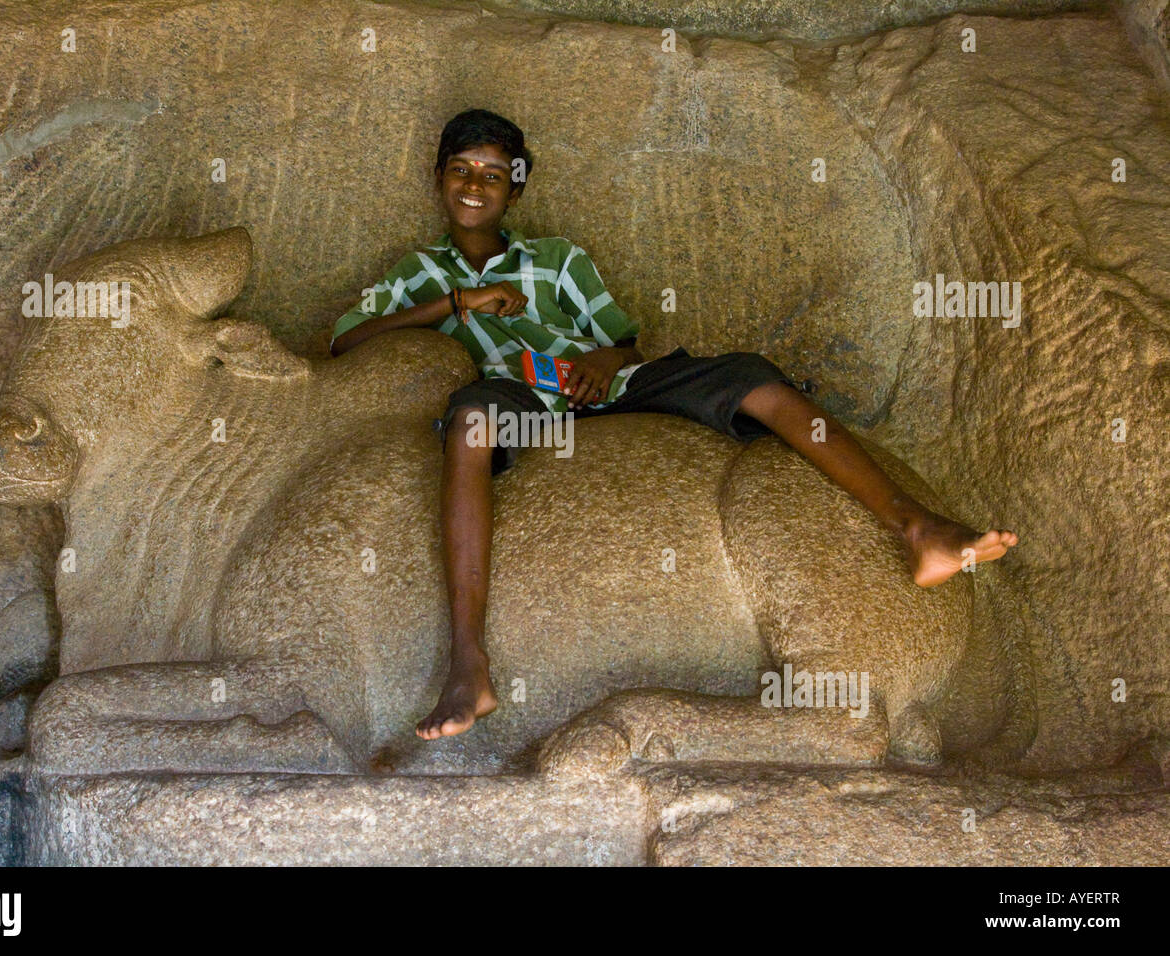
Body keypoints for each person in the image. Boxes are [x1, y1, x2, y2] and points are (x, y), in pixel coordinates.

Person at [330, 108, 1018, 741]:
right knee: (468, 425)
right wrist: (458, 302)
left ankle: (915, 526)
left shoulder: (557, 259)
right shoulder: (419, 272)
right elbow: (345, 343)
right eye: (461, 169)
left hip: (604, 385)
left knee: (753, 378)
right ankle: (468, 665)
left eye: (493, 173)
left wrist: (602, 360)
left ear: (516, 190)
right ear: (439, 179)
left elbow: (619, 338)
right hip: (518, 394)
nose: (475, 184)